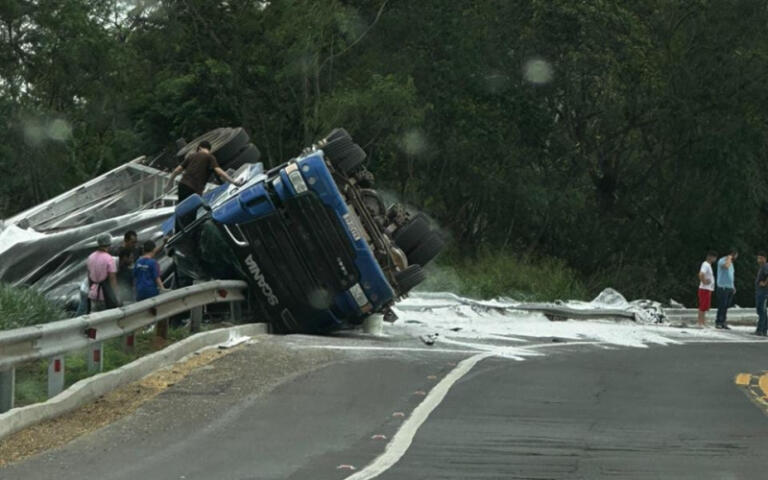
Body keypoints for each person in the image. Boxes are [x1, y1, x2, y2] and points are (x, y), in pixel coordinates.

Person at [165, 140, 243, 203]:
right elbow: (220, 172)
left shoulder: (191, 156)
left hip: (183, 185)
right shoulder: (210, 157)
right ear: (209, 149)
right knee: (190, 214)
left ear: (199, 148)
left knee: (181, 211)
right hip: (194, 190)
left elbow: (177, 170)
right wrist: (234, 182)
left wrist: (169, 183)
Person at [86, 233, 119, 312]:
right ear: (109, 244)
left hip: (93, 293)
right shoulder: (109, 259)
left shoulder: (90, 257)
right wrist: (116, 294)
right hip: (105, 295)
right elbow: (112, 279)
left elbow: (89, 275)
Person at [715, 248, 738, 329]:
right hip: (723, 287)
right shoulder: (722, 260)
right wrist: (729, 258)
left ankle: (723, 321)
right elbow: (726, 266)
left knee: (726, 306)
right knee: (722, 305)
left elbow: (731, 276)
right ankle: (718, 322)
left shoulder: (731, 263)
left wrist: (733, 286)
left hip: (729, 287)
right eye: (735, 255)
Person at [697, 251, 717, 327]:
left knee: (705, 307)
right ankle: (700, 323)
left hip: (708, 289)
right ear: (711, 257)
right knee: (702, 306)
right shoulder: (705, 264)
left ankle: (703, 322)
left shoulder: (708, 265)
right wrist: (704, 281)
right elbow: (701, 274)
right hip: (704, 288)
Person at [755, 251, 768, 336]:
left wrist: (765, 283)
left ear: (764, 258)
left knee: (762, 310)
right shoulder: (762, 267)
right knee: (760, 310)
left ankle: (761, 330)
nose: (758, 260)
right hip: (760, 292)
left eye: (760, 258)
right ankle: (762, 329)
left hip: (764, 292)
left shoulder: (766, 266)